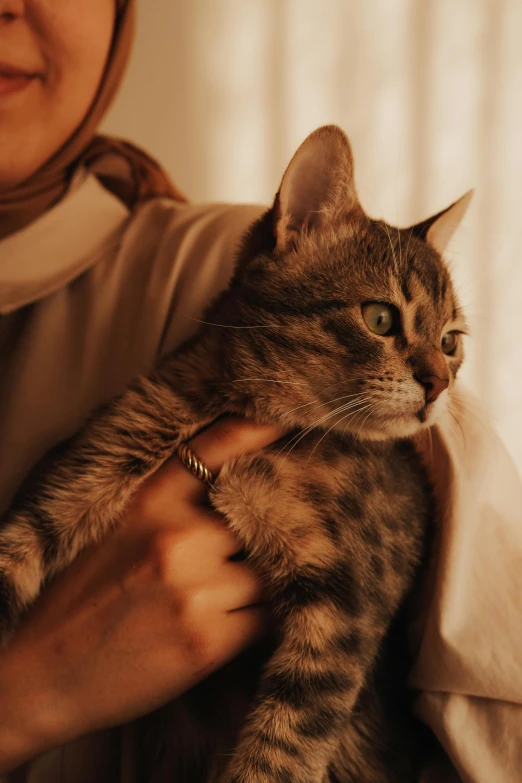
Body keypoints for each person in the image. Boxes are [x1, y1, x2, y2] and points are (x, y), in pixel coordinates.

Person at [0, 2, 520, 782]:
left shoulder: (200, 262)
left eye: (449, 344)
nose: (434, 373)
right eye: (387, 321)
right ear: (296, 232)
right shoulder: (189, 370)